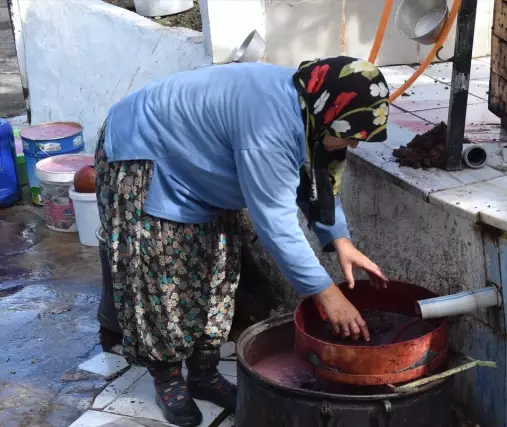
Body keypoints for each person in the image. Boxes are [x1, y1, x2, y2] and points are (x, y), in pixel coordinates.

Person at [95, 55, 390, 426]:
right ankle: (167, 378)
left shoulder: (310, 106)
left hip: (196, 160)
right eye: (349, 135)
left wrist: (340, 240)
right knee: (163, 280)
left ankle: (203, 374)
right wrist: (325, 293)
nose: (353, 145)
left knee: (217, 270)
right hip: (144, 152)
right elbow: (276, 221)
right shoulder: (271, 126)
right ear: (330, 112)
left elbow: (312, 177)